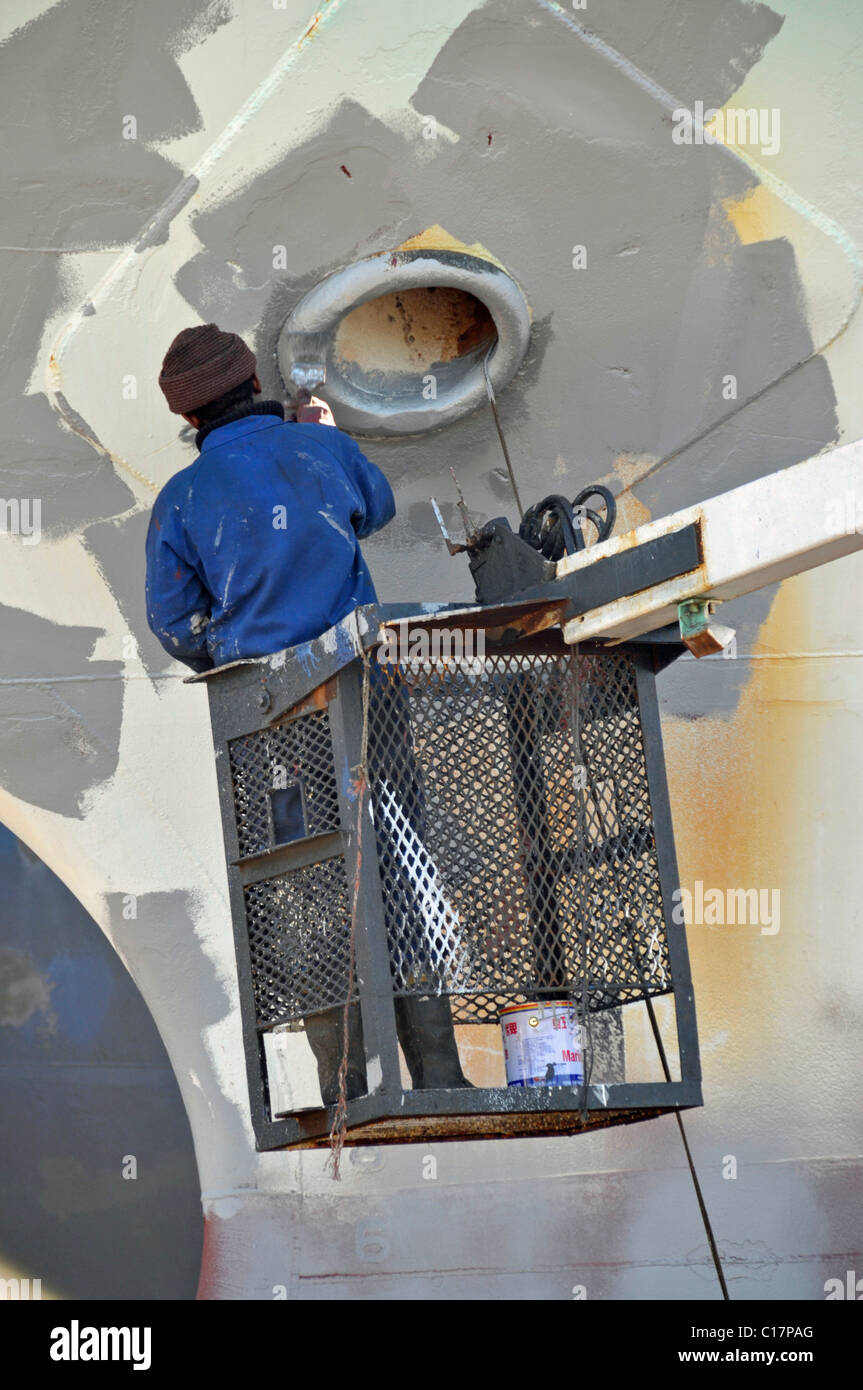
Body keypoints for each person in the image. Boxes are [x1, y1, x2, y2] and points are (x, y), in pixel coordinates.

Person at [146, 323, 469, 1102]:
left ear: (189, 419)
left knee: (307, 883)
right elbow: (378, 507)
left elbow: (172, 621)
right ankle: (436, 1069)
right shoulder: (318, 451)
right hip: (369, 705)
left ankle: (344, 1079)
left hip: (272, 726)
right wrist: (321, 434)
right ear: (250, 377)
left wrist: (228, 648)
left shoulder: (182, 498)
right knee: (399, 867)